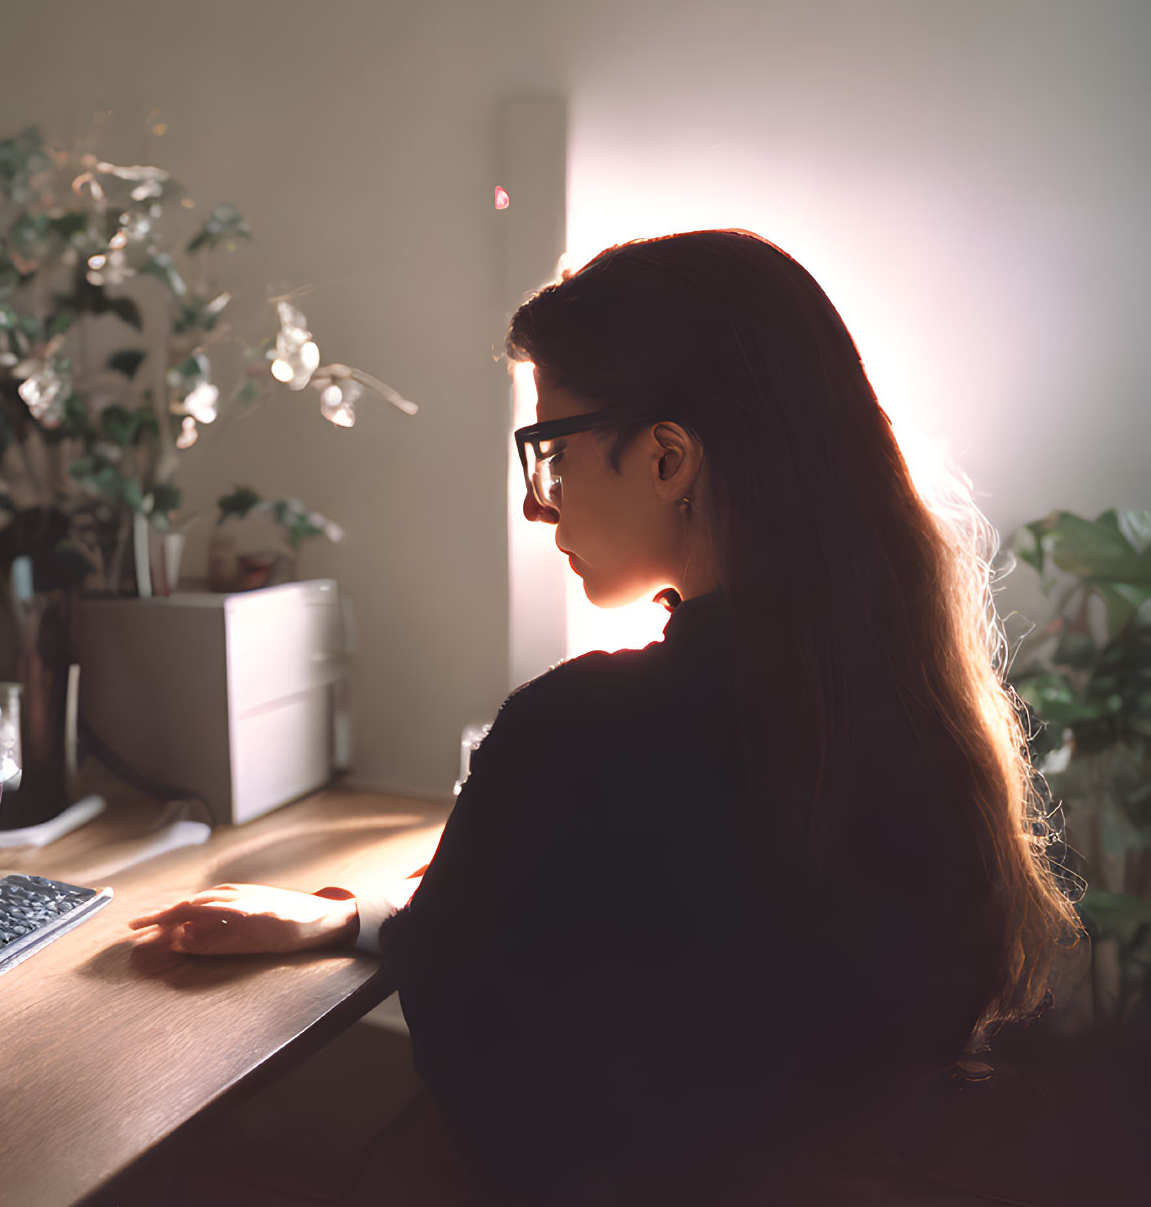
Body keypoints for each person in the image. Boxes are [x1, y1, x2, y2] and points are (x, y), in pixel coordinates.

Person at [126, 229, 1086, 1204]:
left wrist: (400, 918)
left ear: (668, 457)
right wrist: (357, 919)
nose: (540, 507)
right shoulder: (910, 718)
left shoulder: (577, 736)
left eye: (551, 451)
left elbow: (483, 1036)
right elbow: (642, 948)